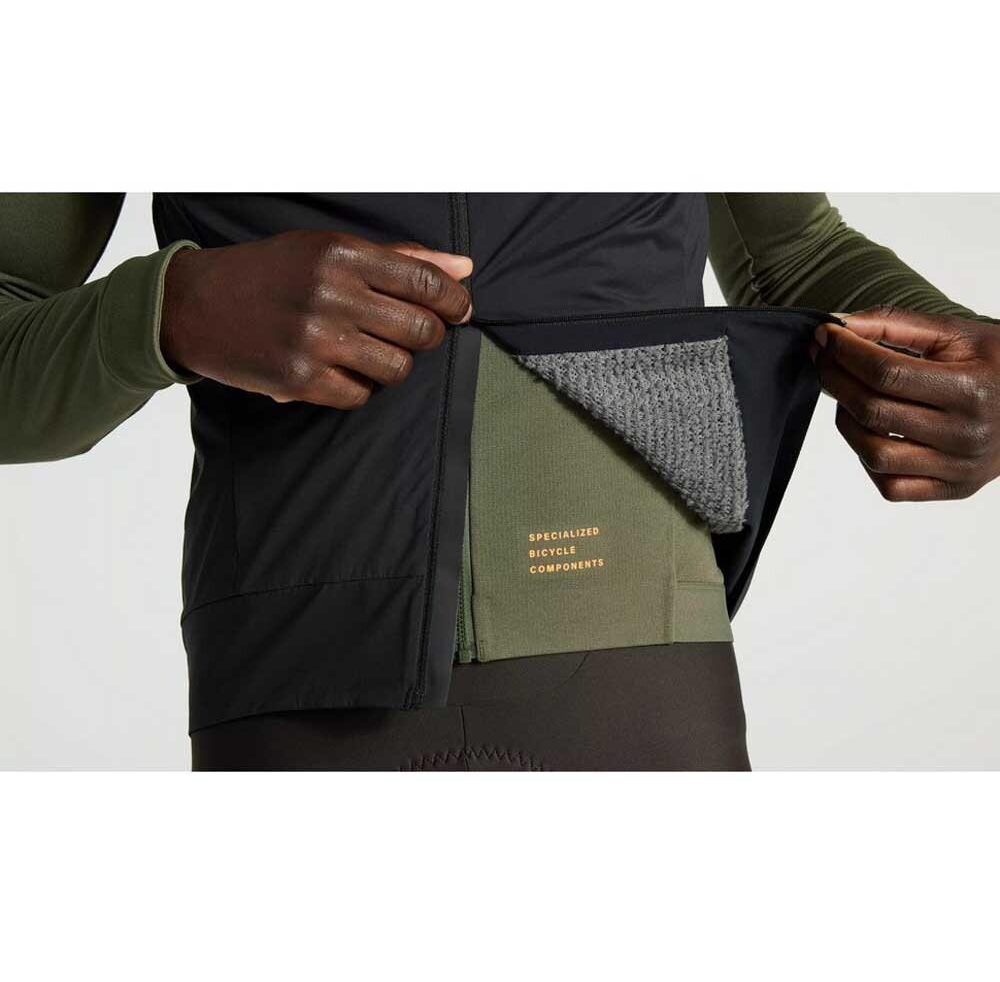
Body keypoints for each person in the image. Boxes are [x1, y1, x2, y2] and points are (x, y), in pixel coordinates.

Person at [1, 193, 997, 770]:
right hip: (312, 683)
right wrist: (170, 309)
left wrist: (959, 354)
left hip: (642, 672)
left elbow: (791, 247)